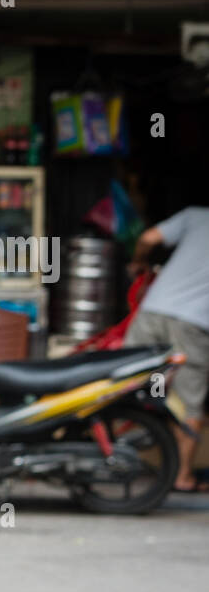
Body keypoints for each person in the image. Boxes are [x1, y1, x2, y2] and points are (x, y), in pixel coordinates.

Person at [125, 207, 209, 492]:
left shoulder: (196, 216)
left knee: (128, 384)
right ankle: (181, 476)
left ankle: (111, 456)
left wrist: (138, 263)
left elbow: (149, 238)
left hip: (154, 309)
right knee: (187, 399)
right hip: (192, 322)